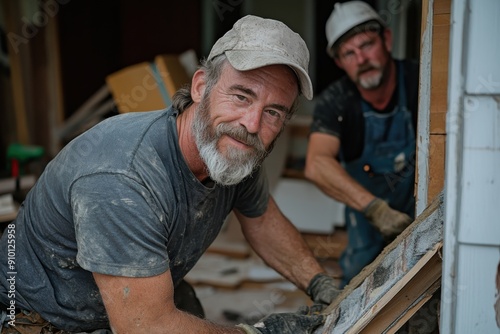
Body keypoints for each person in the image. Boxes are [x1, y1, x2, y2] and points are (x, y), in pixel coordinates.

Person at [0, 15, 341, 334]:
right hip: (35, 316)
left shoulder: (234, 153)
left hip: (123, 307)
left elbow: (263, 221)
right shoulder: (122, 176)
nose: (251, 124)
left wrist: (319, 284)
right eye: (241, 96)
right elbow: (144, 326)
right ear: (200, 86)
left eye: (273, 112)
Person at [305, 1, 419, 288]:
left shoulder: (420, 81)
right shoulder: (336, 102)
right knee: (358, 285)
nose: (361, 59)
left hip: (420, 211)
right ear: (340, 62)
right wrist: (376, 210)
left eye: (367, 45)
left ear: (387, 40)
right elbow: (317, 164)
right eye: (349, 53)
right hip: (366, 217)